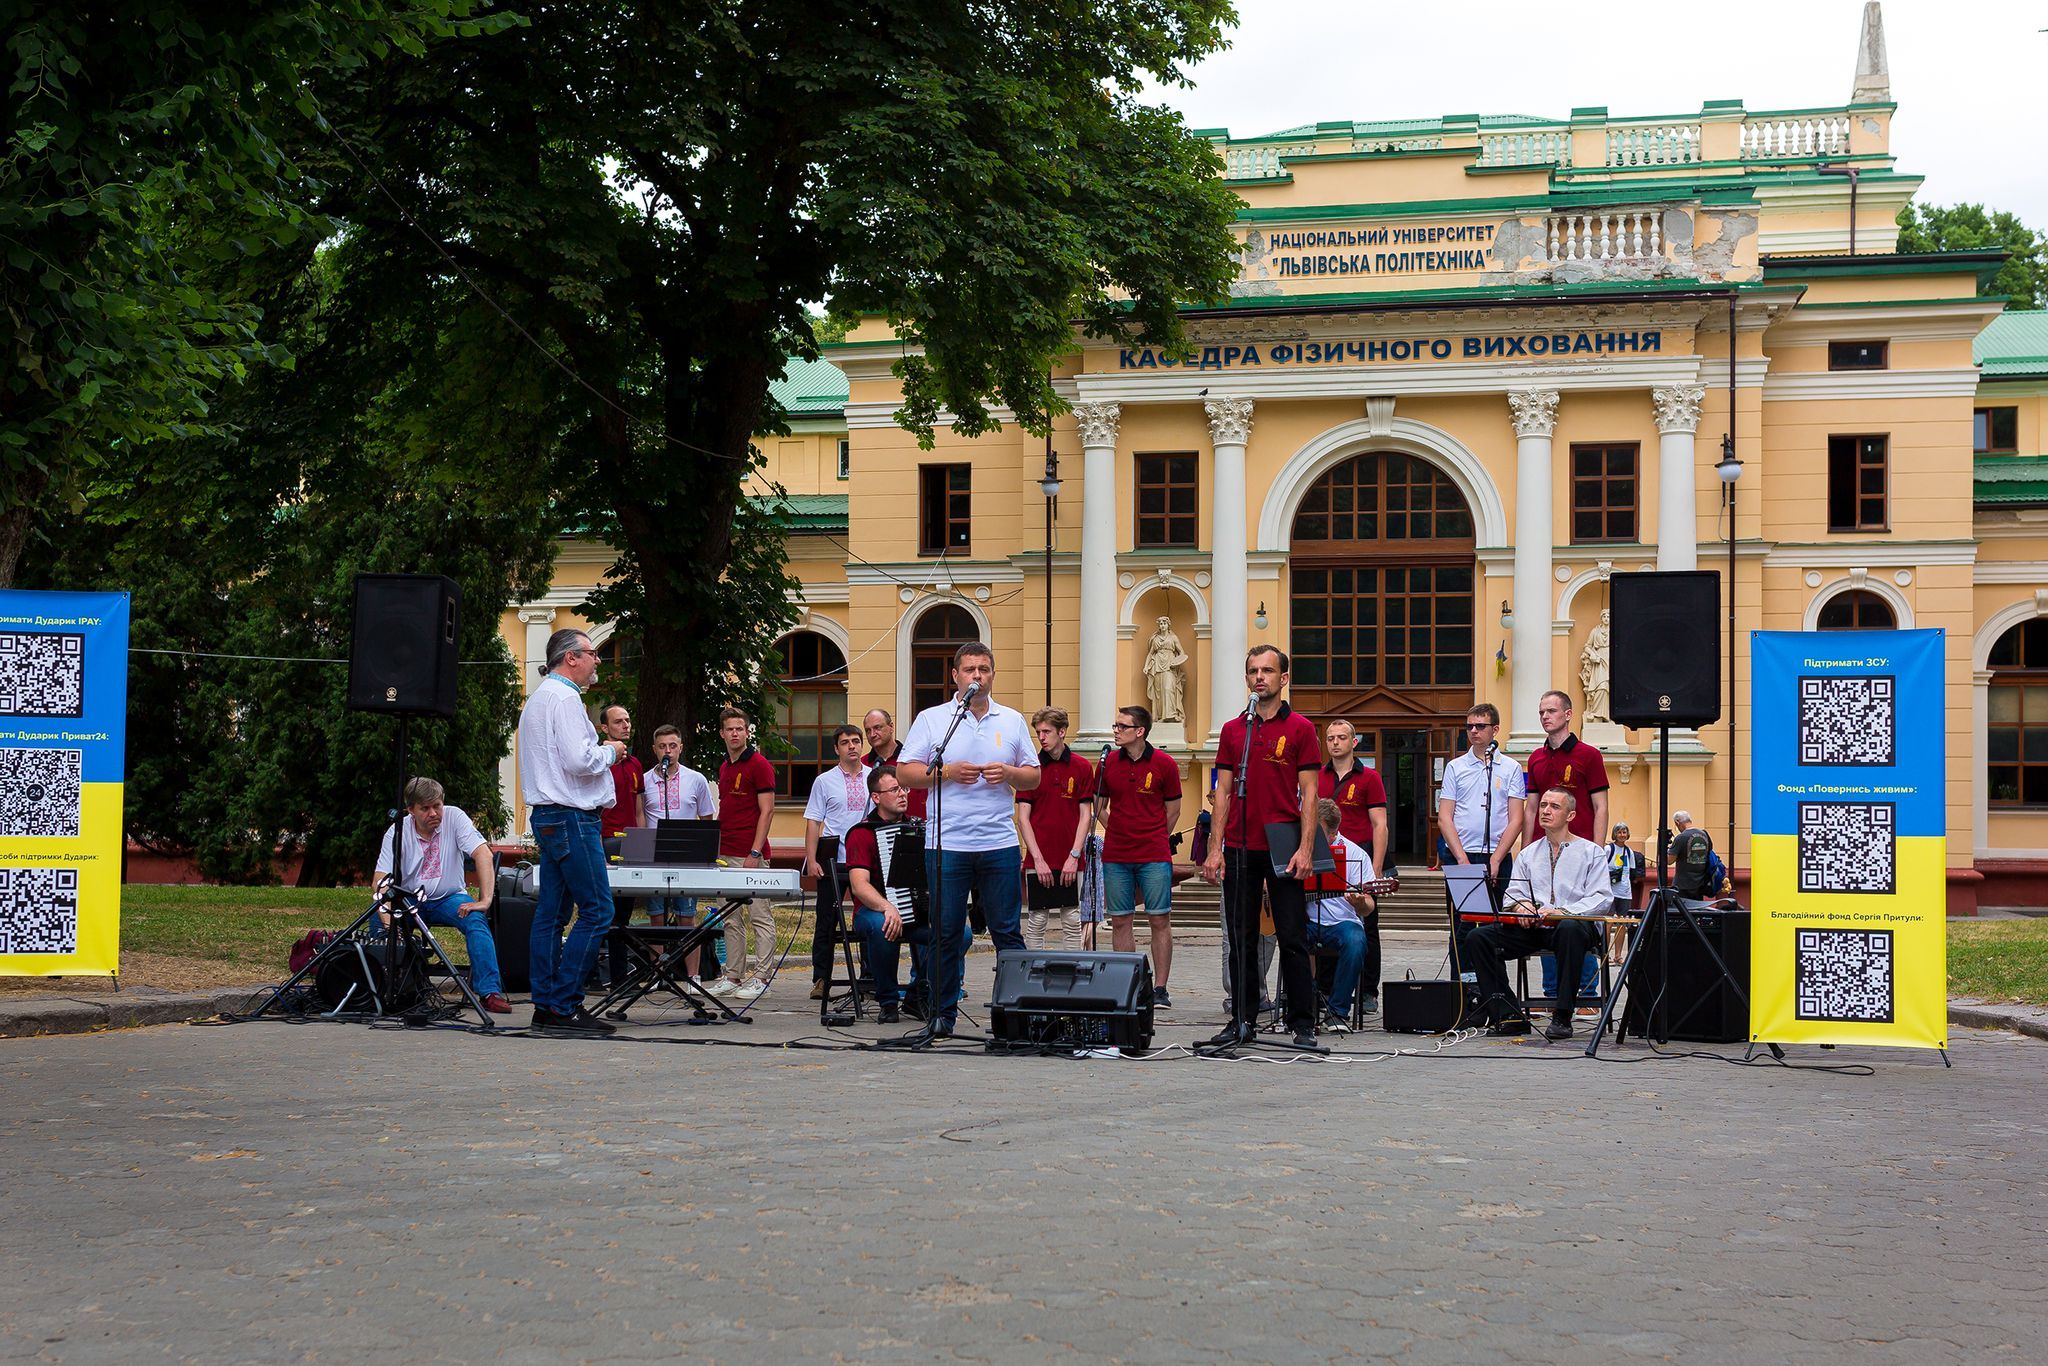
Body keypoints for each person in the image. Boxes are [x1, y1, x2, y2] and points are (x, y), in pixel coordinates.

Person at [896, 642, 1040, 1038]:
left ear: (993, 675)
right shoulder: (933, 719)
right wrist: (945, 773)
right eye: (970, 669)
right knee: (944, 932)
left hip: (998, 842)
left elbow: (1034, 776)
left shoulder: (1010, 720)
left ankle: (1015, 1015)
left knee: (1007, 931)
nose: (977, 676)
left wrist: (1009, 772)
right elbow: (905, 773)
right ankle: (942, 1016)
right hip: (948, 843)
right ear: (955, 676)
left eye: (984, 669)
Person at [1201, 645, 1322, 1049]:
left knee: (1291, 935)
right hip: (1239, 844)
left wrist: (1306, 848)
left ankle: (1302, 1022)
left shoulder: (1302, 729)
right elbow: (1221, 793)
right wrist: (1215, 848)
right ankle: (1242, 1019)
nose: (1260, 677)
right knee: (1241, 938)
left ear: (1283, 679)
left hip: (1283, 844)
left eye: (1268, 671)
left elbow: (1309, 794)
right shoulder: (1235, 730)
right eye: (1253, 670)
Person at [518, 627, 629, 1035]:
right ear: (571, 658)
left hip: (549, 815)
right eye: (592, 653)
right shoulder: (564, 698)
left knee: (551, 914)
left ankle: (546, 1004)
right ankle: (564, 1005)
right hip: (571, 816)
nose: (597, 660)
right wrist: (611, 752)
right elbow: (580, 761)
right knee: (598, 910)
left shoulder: (540, 698)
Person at [1465, 787, 1612, 1039]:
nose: (1545, 810)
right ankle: (1509, 1014)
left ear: (1571, 816)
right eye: (1543, 805)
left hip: (1575, 926)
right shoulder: (1528, 853)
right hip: (1535, 928)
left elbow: (1602, 898)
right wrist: (1521, 905)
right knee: (1479, 938)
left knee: (1569, 929)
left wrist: (1563, 911)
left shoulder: (1591, 852)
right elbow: (1514, 892)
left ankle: (1563, 1015)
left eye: (1554, 807)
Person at [372, 776, 510, 1014]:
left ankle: (489, 992)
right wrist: (387, 920)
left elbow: (483, 854)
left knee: (476, 920)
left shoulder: (455, 817)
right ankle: (382, 986)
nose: (434, 813)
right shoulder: (397, 831)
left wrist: (485, 900)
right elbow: (380, 880)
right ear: (410, 810)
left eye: (437, 805)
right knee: (377, 922)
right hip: (409, 899)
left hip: (449, 897)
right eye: (425, 808)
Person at [1093, 704, 1182, 1008]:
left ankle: (1160, 988)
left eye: (1122, 726)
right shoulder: (1107, 764)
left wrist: (1154, 834)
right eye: (1115, 726)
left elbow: (1173, 810)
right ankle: (1128, 983)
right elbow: (1099, 806)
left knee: (1159, 919)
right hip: (1117, 854)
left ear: (1140, 731)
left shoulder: (1165, 764)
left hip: (1154, 854)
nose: (1115, 731)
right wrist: (1116, 828)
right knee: (1120, 921)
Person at [1525, 690, 1610, 1002]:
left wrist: (1597, 852)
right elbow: (1531, 809)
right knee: (1546, 912)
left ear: (1568, 714)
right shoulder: (1535, 757)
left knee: (1576, 918)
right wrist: (1526, 849)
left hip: (1580, 851)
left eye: (1551, 711)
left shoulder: (1589, 755)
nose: (1546, 716)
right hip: (1544, 851)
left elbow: (1601, 807)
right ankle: (1552, 991)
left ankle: (1586, 993)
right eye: (1542, 712)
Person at [1318, 719, 1390, 1015]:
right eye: (1331, 738)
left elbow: (1380, 825)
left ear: (1354, 742)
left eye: (1341, 737)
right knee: (1323, 921)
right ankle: (1323, 988)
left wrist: (1373, 870)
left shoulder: (1369, 777)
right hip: (1322, 859)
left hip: (1358, 858)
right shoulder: (1316, 776)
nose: (1335, 743)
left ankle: (1368, 992)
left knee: (1366, 927)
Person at [842, 764, 920, 1024]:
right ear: (876, 797)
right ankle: (887, 1000)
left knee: (959, 933)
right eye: (895, 789)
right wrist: (888, 907)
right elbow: (859, 886)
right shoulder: (861, 833)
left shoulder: (918, 829)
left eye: (904, 788)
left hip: (914, 911)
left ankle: (919, 995)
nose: (902, 794)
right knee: (883, 925)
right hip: (871, 911)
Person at [711, 705, 778, 1000]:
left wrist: (755, 851)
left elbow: (768, 810)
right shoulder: (725, 766)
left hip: (750, 854)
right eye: (730, 729)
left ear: (747, 732)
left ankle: (762, 976)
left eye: (740, 728)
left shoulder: (760, 764)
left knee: (760, 916)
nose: (735, 733)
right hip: (724, 852)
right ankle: (733, 976)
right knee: (730, 917)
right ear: (722, 733)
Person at [1015, 706, 1094, 952]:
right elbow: (1023, 818)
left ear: (1062, 732)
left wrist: (1075, 855)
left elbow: (1086, 816)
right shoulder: (1031, 768)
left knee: (1071, 918)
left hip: (1070, 857)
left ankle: (1074, 972)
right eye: (1038, 732)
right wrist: (1037, 859)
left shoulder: (1081, 767)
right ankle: (1033, 973)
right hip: (1038, 858)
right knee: (1036, 919)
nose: (1041, 737)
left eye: (1047, 731)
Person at [1437, 702, 1526, 916]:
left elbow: (1516, 819)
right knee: (1461, 921)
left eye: (1480, 726)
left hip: (1497, 852)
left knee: (1497, 919)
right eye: (1469, 727)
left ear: (1495, 729)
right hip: (1461, 852)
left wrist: (1496, 858)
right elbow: (1445, 817)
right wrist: (1461, 859)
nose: (1474, 731)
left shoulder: (1510, 767)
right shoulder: (1455, 767)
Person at [803, 724, 871, 999]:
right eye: (845, 742)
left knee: (868, 919)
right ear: (836, 749)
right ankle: (821, 979)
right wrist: (811, 859)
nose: (852, 746)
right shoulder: (824, 781)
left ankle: (870, 975)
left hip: (865, 861)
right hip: (832, 860)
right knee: (826, 921)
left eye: (856, 741)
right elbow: (813, 822)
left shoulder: (874, 777)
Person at [641, 723, 715, 980]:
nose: (668, 751)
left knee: (687, 917)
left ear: (681, 748)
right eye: (662, 746)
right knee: (656, 918)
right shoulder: (644, 781)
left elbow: (707, 818)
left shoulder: (696, 779)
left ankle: (693, 976)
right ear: (654, 749)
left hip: (687, 858)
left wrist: (702, 853)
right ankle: (656, 973)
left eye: (673, 746)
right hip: (654, 858)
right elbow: (640, 818)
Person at [1302, 798, 1375, 1035]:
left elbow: (1369, 907)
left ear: (1333, 833)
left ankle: (1337, 1011)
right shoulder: (1302, 850)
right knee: (1291, 935)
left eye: (1318, 830)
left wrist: (1360, 901)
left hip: (1342, 923)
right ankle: (1304, 1006)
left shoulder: (1356, 854)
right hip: (1309, 921)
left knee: (1356, 942)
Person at [861, 707, 928, 820]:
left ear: (891, 727)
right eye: (868, 730)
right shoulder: (863, 764)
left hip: (917, 828)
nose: (872, 734)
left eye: (877, 728)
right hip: (878, 832)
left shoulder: (913, 759)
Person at [597, 704, 644, 846]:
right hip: (605, 837)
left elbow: (639, 811)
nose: (625, 726)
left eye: (627, 721)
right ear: (605, 728)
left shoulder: (635, 763)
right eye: (618, 722)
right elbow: (593, 811)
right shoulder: (598, 763)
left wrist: (642, 843)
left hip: (632, 838)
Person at [1671, 810, 1728, 897]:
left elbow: (1669, 861)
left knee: (1681, 909)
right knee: (1697, 909)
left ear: (1677, 822)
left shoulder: (1681, 837)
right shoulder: (1704, 834)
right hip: (1700, 884)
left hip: (1683, 885)